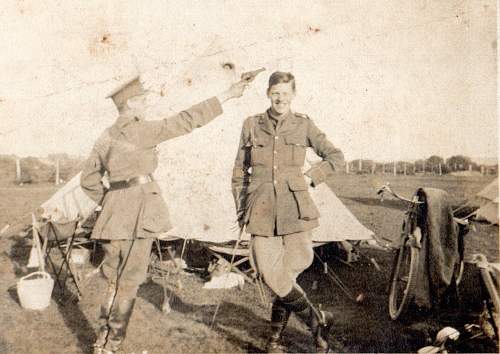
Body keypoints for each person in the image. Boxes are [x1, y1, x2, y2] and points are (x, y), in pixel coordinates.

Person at [81, 74, 250, 354]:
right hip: (140, 214)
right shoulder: (141, 130)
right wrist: (227, 95)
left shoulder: (105, 136)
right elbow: (186, 120)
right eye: (143, 100)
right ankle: (111, 347)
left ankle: (101, 342)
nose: (147, 104)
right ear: (132, 104)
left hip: (112, 218)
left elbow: (88, 180)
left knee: (114, 280)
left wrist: (111, 203)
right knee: (130, 281)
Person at [231, 71, 345, 353]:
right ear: (268, 94)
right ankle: (317, 322)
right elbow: (238, 172)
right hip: (260, 210)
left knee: (288, 274)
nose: (280, 98)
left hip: (295, 210)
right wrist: (241, 208)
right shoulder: (251, 124)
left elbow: (336, 157)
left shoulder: (303, 124)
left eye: (285, 93)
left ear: (293, 94)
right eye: (275, 92)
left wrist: (310, 178)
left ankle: (273, 341)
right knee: (271, 274)